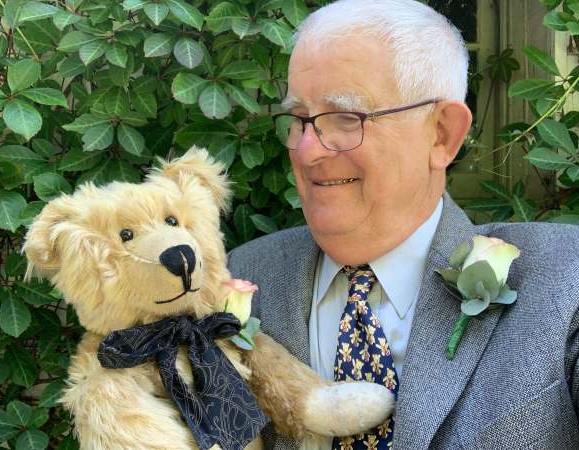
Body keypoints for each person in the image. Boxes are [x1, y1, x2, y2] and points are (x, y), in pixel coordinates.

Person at [228, 0, 579, 449]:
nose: (308, 150)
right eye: (299, 120)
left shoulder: (564, 282)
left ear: (442, 135)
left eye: (346, 117)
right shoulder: (244, 279)